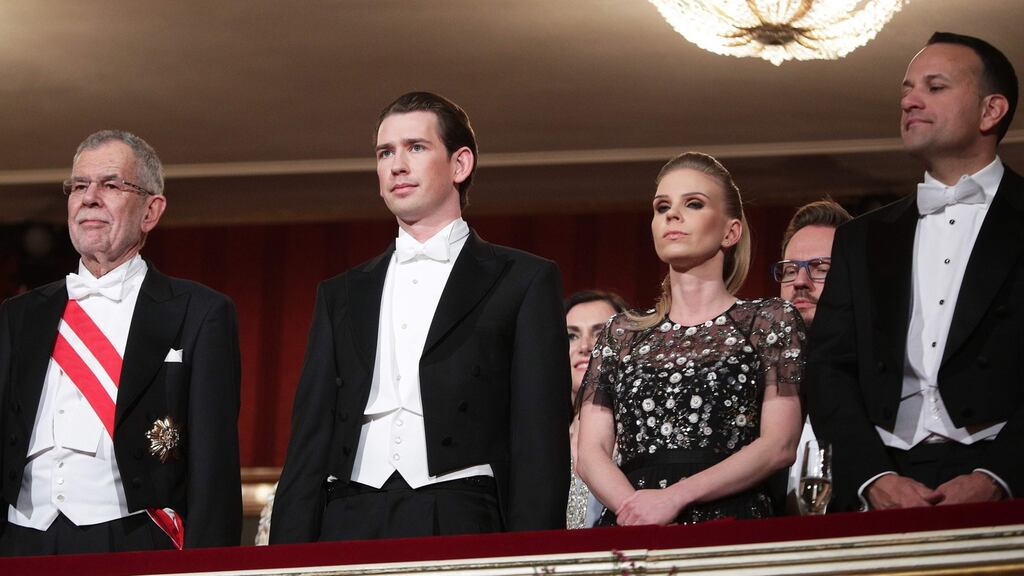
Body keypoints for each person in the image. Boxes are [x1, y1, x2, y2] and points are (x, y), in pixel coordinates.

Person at [270, 92, 570, 543]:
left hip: (462, 513)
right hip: (347, 516)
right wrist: (285, 558)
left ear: (460, 164)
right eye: (385, 152)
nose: (396, 165)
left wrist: (533, 556)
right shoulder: (341, 293)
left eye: (415, 147)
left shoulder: (523, 280)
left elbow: (539, 439)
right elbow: (308, 439)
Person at [0, 130, 242, 555]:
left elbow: (214, 466)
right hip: (21, 541)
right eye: (79, 185)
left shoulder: (200, 312)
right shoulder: (17, 316)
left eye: (110, 184)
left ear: (151, 210)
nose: (89, 197)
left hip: (132, 539)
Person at [806, 32, 1020, 512]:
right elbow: (828, 368)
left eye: (935, 87)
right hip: (883, 478)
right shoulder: (860, 237)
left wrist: (998, 476)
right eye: (906, 89)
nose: (909, 101)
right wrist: (871, 477)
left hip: (1007, 476)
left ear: (991, 110)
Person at [576, 152, 805, 526]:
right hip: (634, 524)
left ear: (731, 231)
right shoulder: (621, 334)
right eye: (661, 206)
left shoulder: (769, 321)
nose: (672, 215)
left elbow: (779, 445)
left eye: (693, 204)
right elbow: (590, 453)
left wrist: (674, 498)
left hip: (731, 523)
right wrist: (637, 509)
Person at [770, 199, 851, 513]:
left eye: (821, 268)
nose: (800, 282)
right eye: (790, 270)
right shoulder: (759, 379)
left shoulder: (880, 377)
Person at [565, 290, 626, 529]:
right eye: (571, 336)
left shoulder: (644, 442)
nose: (585, 346)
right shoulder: (539, 447)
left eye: (602, 334)